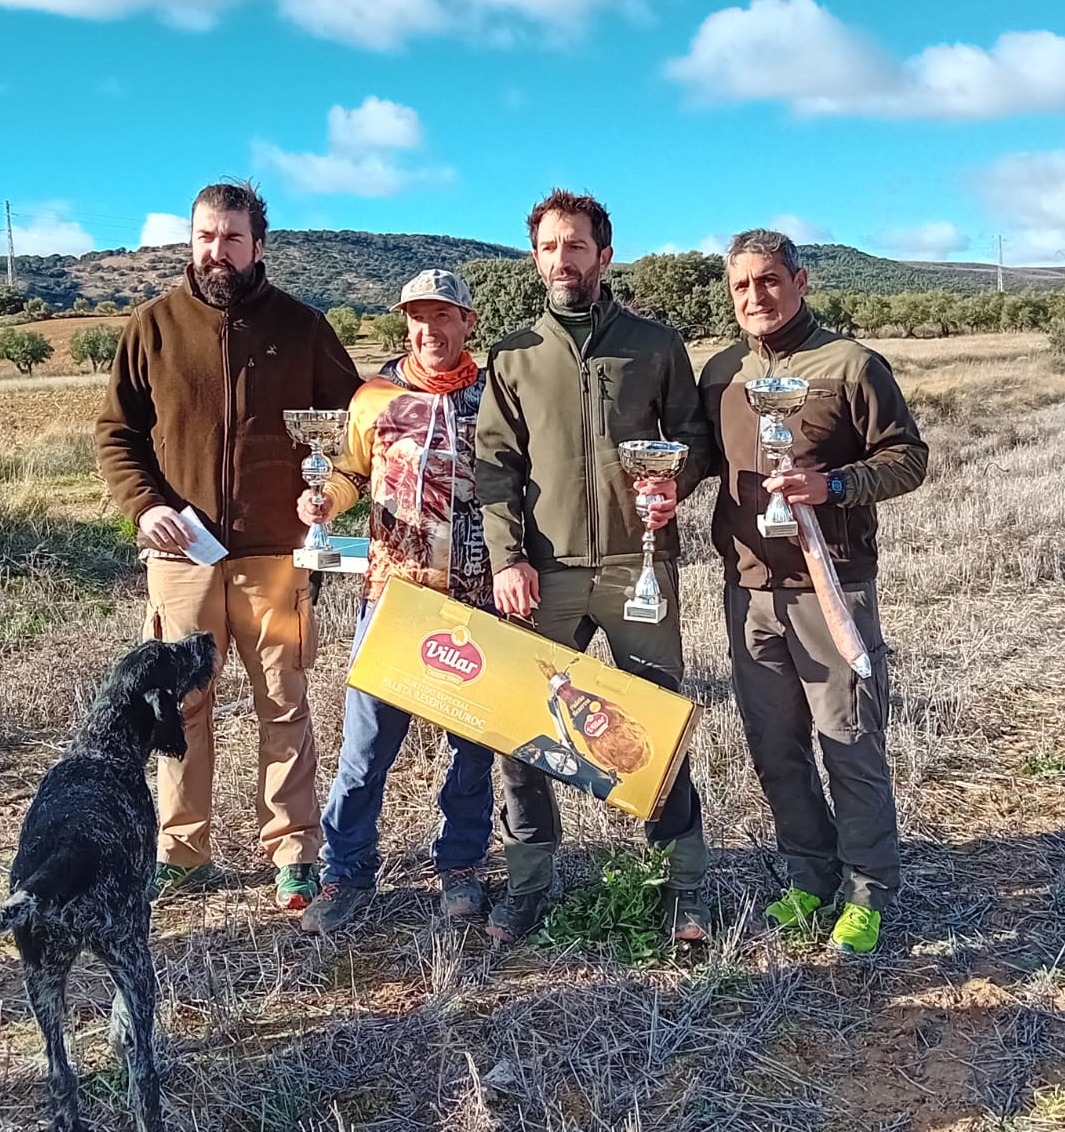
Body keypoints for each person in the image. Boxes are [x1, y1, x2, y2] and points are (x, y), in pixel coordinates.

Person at [96, 179, 362, 910]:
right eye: (206, 236)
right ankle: (182, 852)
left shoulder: (305, 327)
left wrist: (331, 491)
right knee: (181, 707)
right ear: (191, 240)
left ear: (259, 245)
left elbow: (355, 430)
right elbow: (116, 434)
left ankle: (294, 851)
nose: (218, 250)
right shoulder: (150, 327)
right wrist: (145, 506)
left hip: (276, 557)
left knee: (284, 701)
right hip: (181, 556)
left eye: (233, 238)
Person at [476, 189, 712, 944]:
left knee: (655, 725)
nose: (562, 260)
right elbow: (493, 467)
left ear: (604, 256)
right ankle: (530, 884)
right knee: (523, 733)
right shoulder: (513, 355)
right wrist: (509, 557)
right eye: (549, 246)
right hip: (541, 574)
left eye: (576, 246)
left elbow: (693, 437)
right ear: (535, 255)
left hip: (634, 565)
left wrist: (676, 484)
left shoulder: (656, 344)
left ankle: (685, 887)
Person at [698, 228, 927, 953]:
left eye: (769, 281)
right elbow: (702, 458)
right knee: (775, 747)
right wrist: (658, 488)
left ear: (800, 282)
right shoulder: (723, 371)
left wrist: (832, 485)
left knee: (850, 741)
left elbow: (908, 459)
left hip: (832, 586)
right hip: (747, 588)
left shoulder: (851, 364)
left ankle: (869, 888)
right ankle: (809, 875)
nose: (755, 297)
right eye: (741, 286)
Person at [293, 269, 496, 934]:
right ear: (404, 321)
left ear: (469, 323)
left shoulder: (494, 396)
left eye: (445, 316)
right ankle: (346, 873)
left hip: (475, 599)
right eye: (418, 316)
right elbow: (350, 471)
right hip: (392, 599)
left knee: (469, 748)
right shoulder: (374, 397)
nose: (430, 329)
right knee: (365, 749)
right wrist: (327, 500)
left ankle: (461, 869)